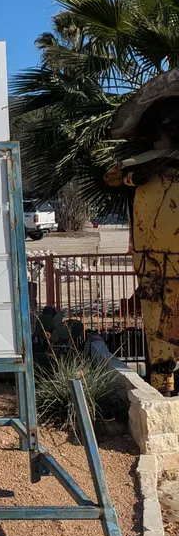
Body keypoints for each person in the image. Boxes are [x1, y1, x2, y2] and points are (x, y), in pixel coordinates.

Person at [106, 72, 179, 395]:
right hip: (152, 258)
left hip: (157, 255)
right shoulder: (141, 164)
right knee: (157, 327)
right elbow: (112, 175)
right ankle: (163, 385)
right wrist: (144, 171)